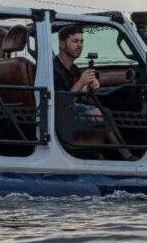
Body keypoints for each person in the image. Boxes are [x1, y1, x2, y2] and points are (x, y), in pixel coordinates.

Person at [53, 25, 132, 160]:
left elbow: (81, 94)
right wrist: (81, 83)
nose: (79, 45)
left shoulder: (73, 68)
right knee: (100, 113)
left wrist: (90, 85)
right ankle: (126, 155)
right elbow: (59, 103)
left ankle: (115, 154)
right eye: (75, 41)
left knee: (106, 109)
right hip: (59, 116)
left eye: (81, 41)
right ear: (61, 44)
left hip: (71, 110)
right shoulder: (54, 68)